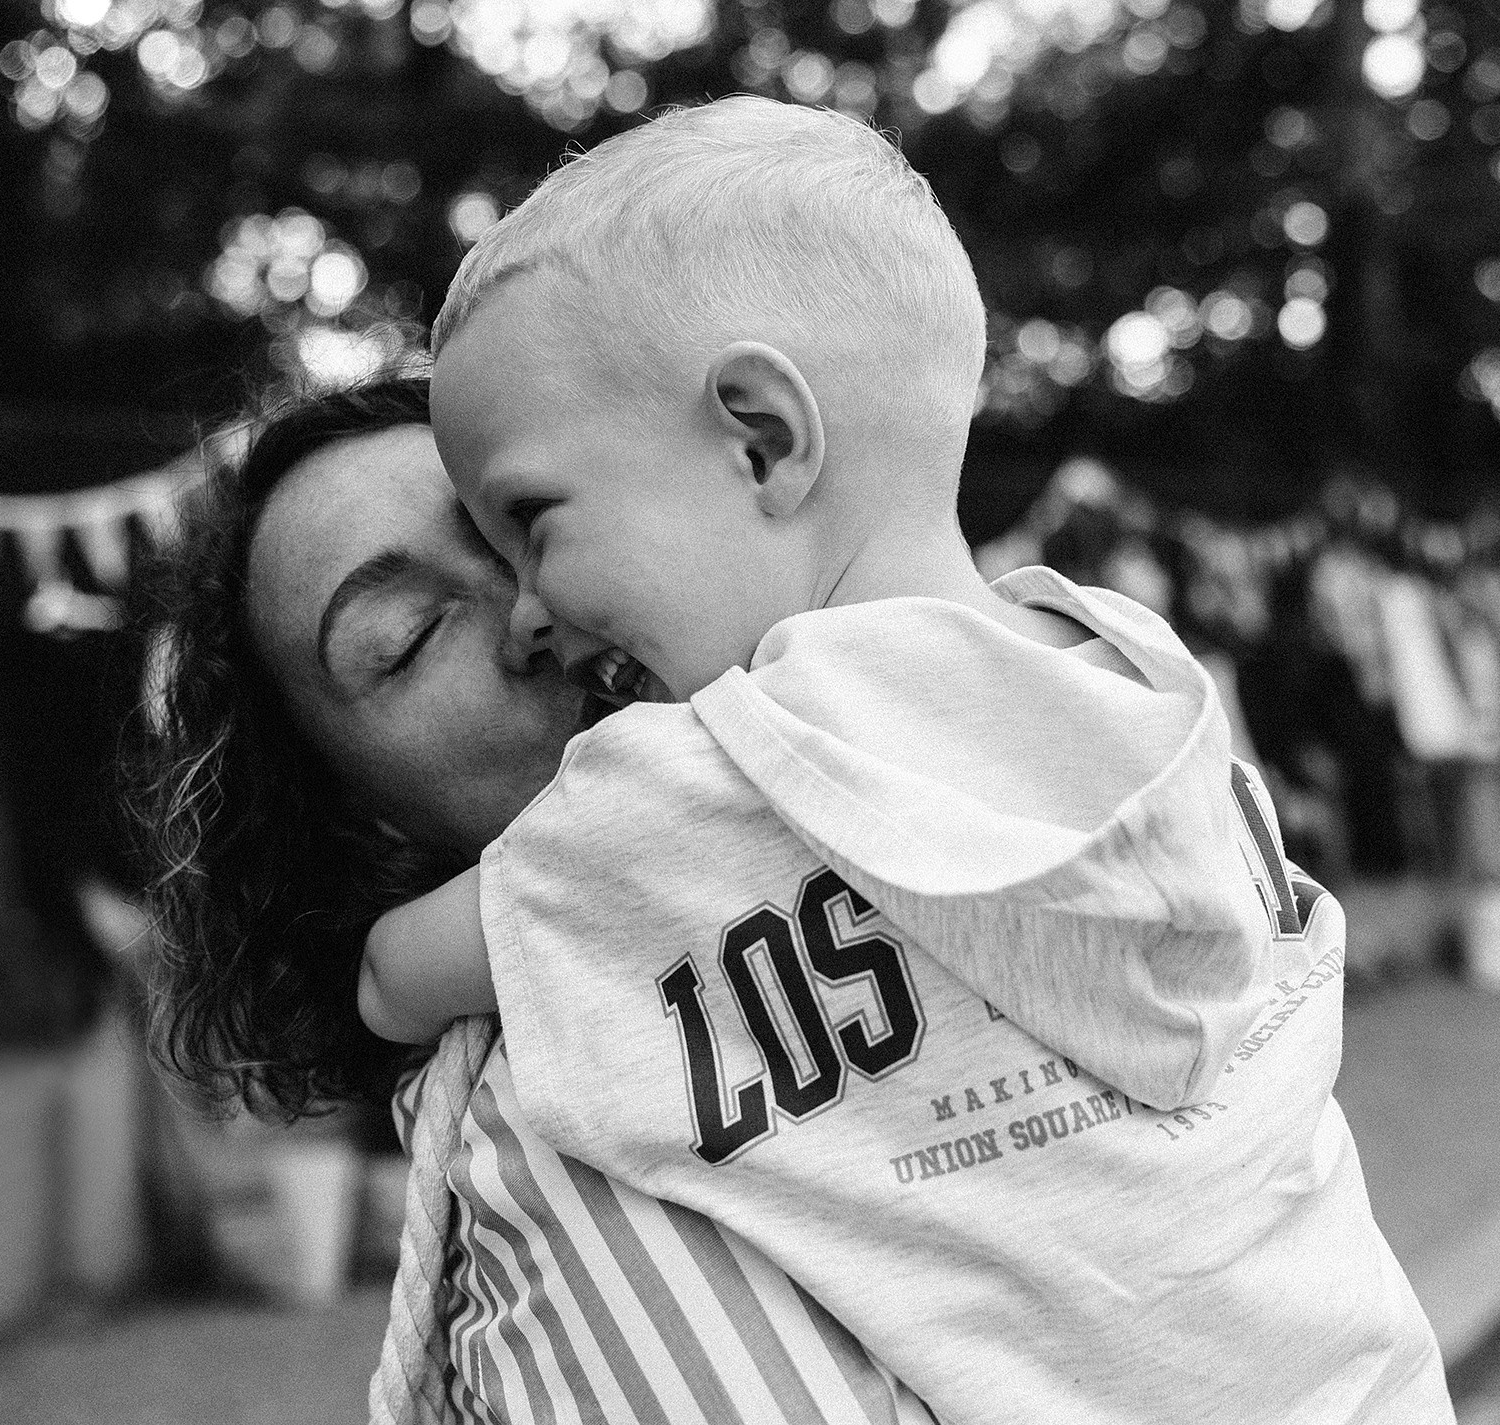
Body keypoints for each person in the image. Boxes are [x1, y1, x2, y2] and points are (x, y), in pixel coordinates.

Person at [361, 99, 1453, 1422]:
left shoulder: (690, 782)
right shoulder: (1138, 682)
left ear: (760, 436)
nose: (528, 607)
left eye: (532, 523)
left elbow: (392, 974)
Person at [125, 375, 937, 1424]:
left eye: (528, 523)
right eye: (408, 636)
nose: (530, 605)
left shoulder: (984, 729)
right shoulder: (540, 1135)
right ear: (365, 823)